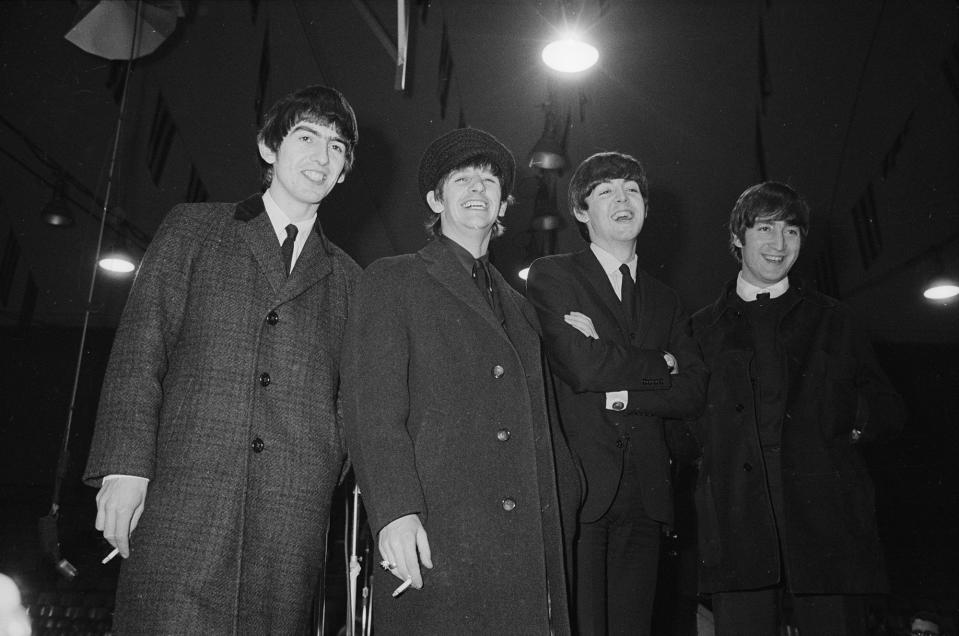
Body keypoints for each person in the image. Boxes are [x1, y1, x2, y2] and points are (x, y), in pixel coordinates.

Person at [82, 85, 362, 633]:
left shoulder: (350, 278)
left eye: (336, 147)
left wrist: (323, 465)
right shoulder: (194, 228)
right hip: (181, 502)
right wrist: (125, 466)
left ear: (345, 170)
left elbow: (353, 400)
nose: (322, 156)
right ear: (268, 148)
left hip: (290, 521)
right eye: (307, 137)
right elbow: (142, 348)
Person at [340, 127, 580, 635]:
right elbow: (371, 412)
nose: (478, 189)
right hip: (438, 534)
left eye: (490, 181)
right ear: (435, 198)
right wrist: (395, 511)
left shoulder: (519, 307)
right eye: (462, 179)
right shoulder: (392, 279)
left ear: (504, 205)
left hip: (523, 550)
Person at [689, 181, 907, 635]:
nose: (779, 244)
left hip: (829, 534)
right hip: (737, 535)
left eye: (791, 231)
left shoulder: (835, 320)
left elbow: (888, 409)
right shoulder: (699, 331)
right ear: (737, 237)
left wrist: (848, 419)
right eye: (765, 228)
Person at [525, 151, 707, 635]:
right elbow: (581, 366)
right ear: (582, 212)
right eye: (606, 191)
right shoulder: (553, 274)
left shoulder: (667, 299)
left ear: (646, 206)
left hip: (647, 496)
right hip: (582, 489)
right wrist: (657, 366)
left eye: (632, 191)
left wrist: (621, 390)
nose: (622, 200)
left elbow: (690, 390)